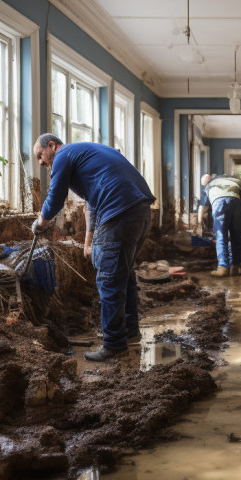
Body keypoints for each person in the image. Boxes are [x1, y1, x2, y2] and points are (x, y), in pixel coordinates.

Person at [31, 134, 155, 362]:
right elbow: (94, 206)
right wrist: (89, 239)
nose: (40, 162)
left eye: (40, 155)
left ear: (52, 146)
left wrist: (41, 221)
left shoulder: (63, 155)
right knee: (123, 273)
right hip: (140, 211)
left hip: (120, 211)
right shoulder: (88, 156)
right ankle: (128, 333)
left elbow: (55, 197)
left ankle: (114, 344)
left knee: (108, 278)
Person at [198, 174, 241, 276]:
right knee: (235, 236)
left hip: (219, 204)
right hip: (236, 204)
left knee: (221, 236)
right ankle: (235, 267)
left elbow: (202, 206)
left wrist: (199, 222)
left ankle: (223, 268)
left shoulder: (210, 185)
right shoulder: (238, 182)